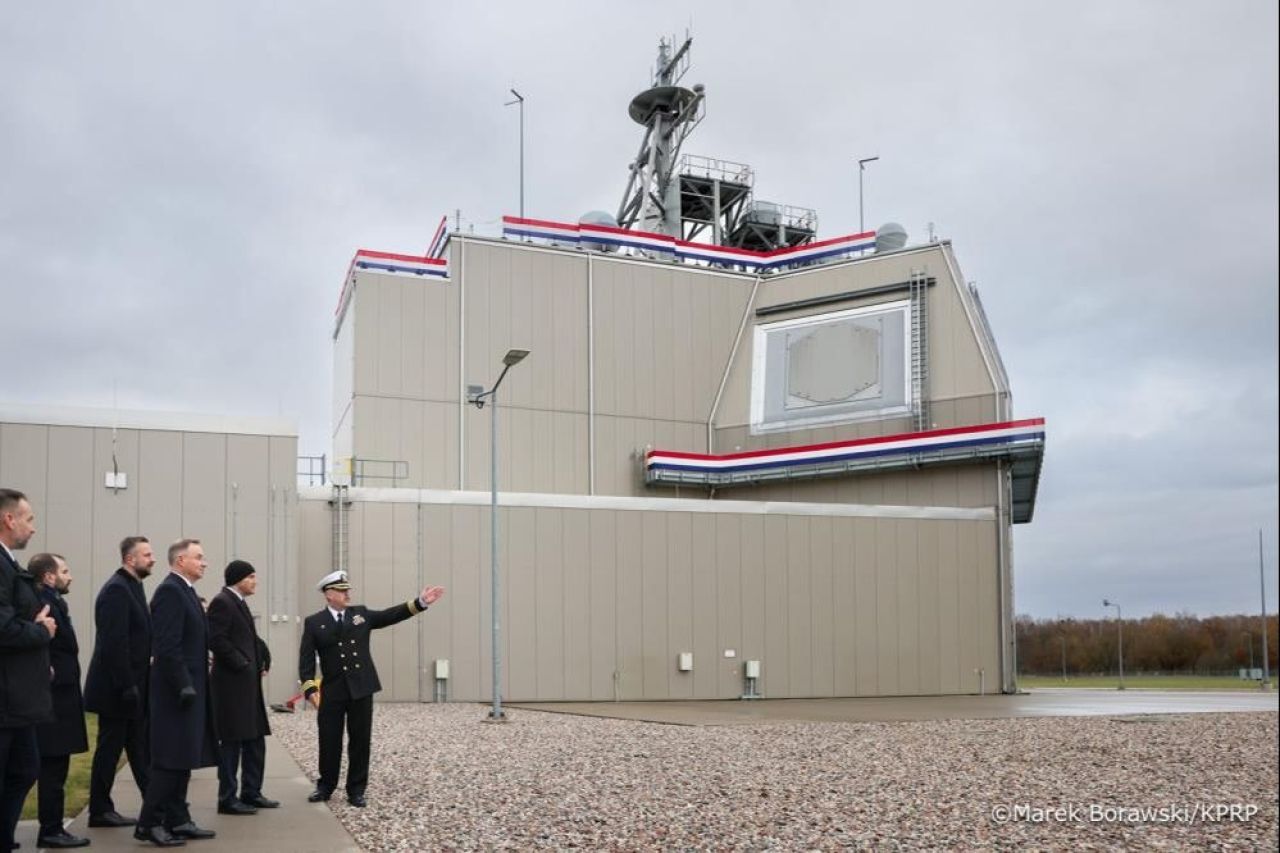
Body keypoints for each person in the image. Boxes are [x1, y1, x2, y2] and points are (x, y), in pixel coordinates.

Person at [298, 571, 444, 807]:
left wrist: (420, 603)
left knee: (360, 740)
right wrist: (309, 688)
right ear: (329, 594)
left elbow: (389, 616)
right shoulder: (314, 622)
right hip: (333, 691)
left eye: (348, 590)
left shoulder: (360, 614)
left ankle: (356, 790)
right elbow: (305, 659)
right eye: (342, 590)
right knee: (329, 740)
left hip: (361, 688)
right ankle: (325, 786)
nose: (348, 594)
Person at [134, 539, 218, 848]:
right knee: (169, 760)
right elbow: (167, 645)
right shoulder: (170, 591)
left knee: (183, 758)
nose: (204, 563)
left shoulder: (186, 592)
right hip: (175, 693)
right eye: (199, 557)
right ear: (180, 561)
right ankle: (149, 823)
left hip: (189, 689)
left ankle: (178, 819)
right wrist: (183, 683)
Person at [82, 536, 155, 829]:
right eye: (147, 554)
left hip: (131, 687)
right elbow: (114, 644)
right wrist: (127, 686)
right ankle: (100, 810)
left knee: (137, 748)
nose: (152, 559)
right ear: (130, 559)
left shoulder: (133, 587)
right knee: (110, 750)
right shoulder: (117, 590)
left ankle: (155, 804)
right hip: (117, 690)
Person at [0, 488, 57, 853]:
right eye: (29, 519)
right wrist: (41, 630)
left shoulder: (9, 565)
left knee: (24, 769)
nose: (32, 528)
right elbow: (3, 627)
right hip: (5, 699)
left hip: (18, 699)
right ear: (9, 519)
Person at [207, 560, 277, 815]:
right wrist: (243, 664)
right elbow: (216, 639)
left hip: (247, 687)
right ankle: (227, 798)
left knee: (255, 740)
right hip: (232, 689)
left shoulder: (238, 603)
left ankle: (251, 792)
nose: (255, 581)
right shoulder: (222, 602)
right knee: (233, 744)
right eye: (251, 576)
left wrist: (262, 657)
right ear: (237, 579)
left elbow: (247, 638)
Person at [30, 553, 90, 848]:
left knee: (55, 767)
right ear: (49, 576)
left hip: (60, 697)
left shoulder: (54, 601)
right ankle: (51, 829)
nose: (70, 576)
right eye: (65, 571)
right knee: (52, 768)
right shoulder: (44, 603)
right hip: (53, 699)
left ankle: (52, 826)